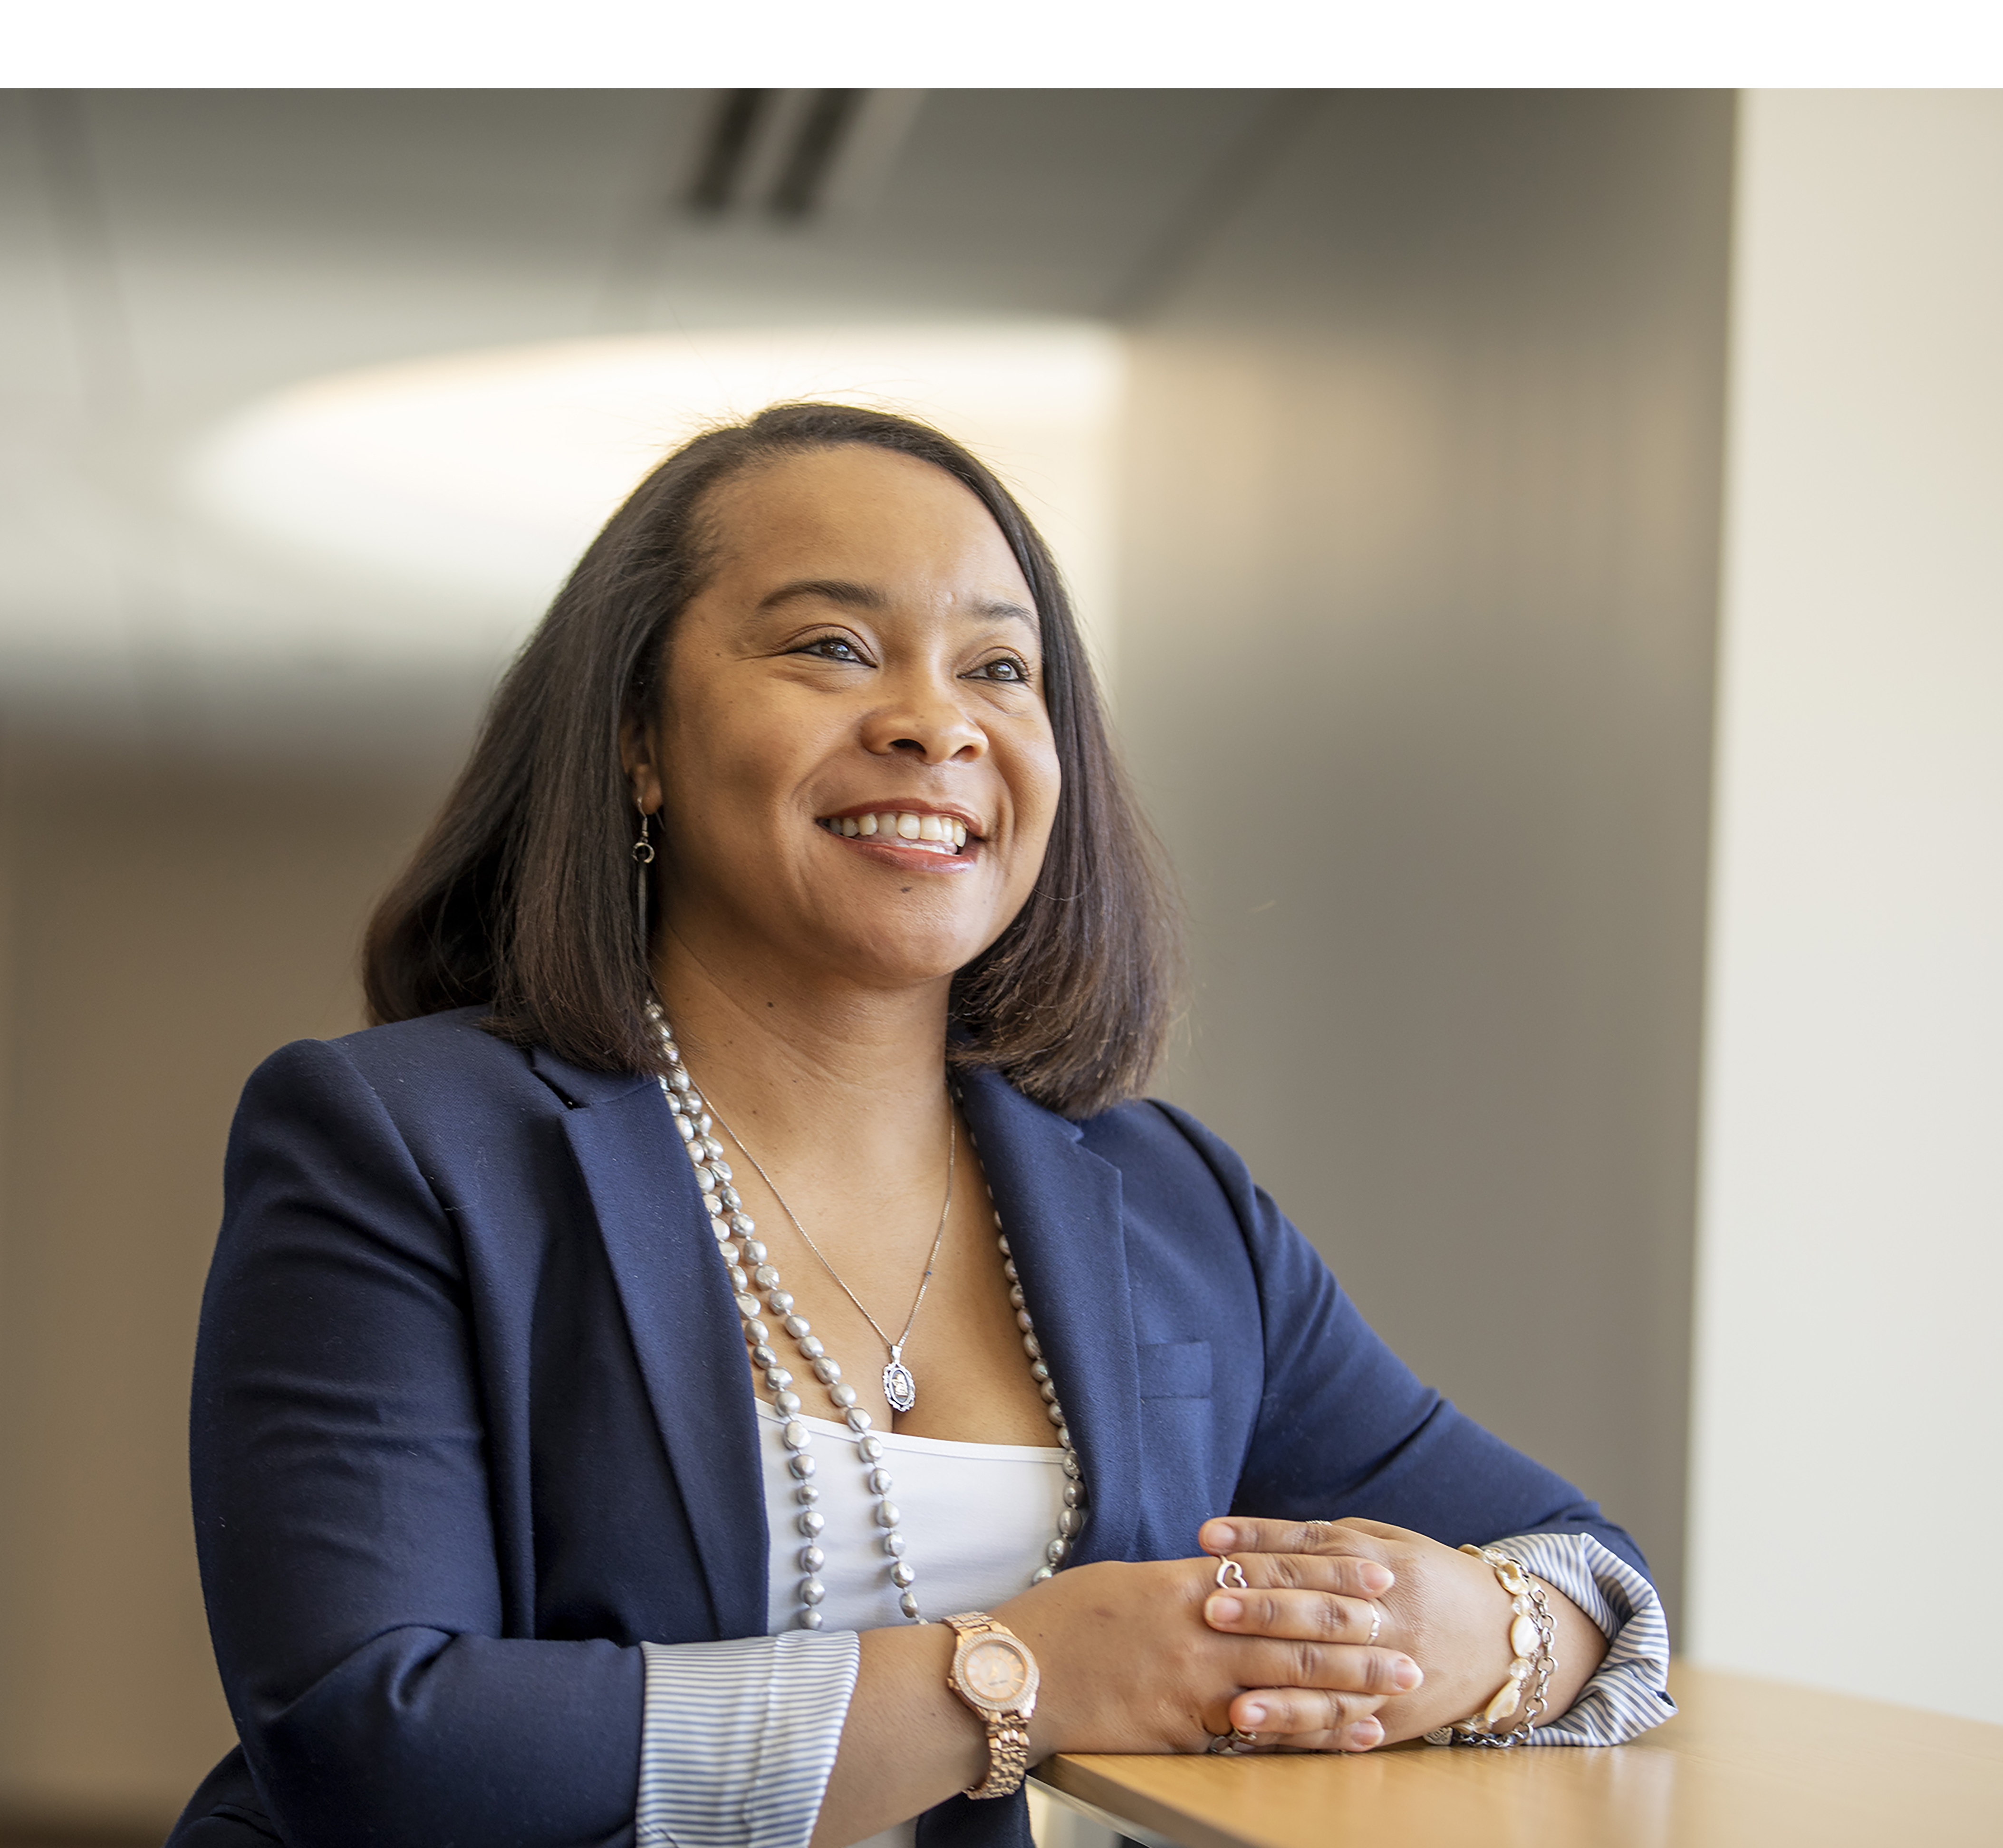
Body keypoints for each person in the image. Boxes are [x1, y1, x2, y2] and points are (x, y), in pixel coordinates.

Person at [167, 403, 1672, 1848]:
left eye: (1001, 671)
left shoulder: (1167, 1198)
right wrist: (1019, 1674)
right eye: (831, 647)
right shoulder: (400, 1143)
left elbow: (1591, 1570)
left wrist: (1485, 1629)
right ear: (640, 737)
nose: (933, 724)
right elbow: (373, 1744)